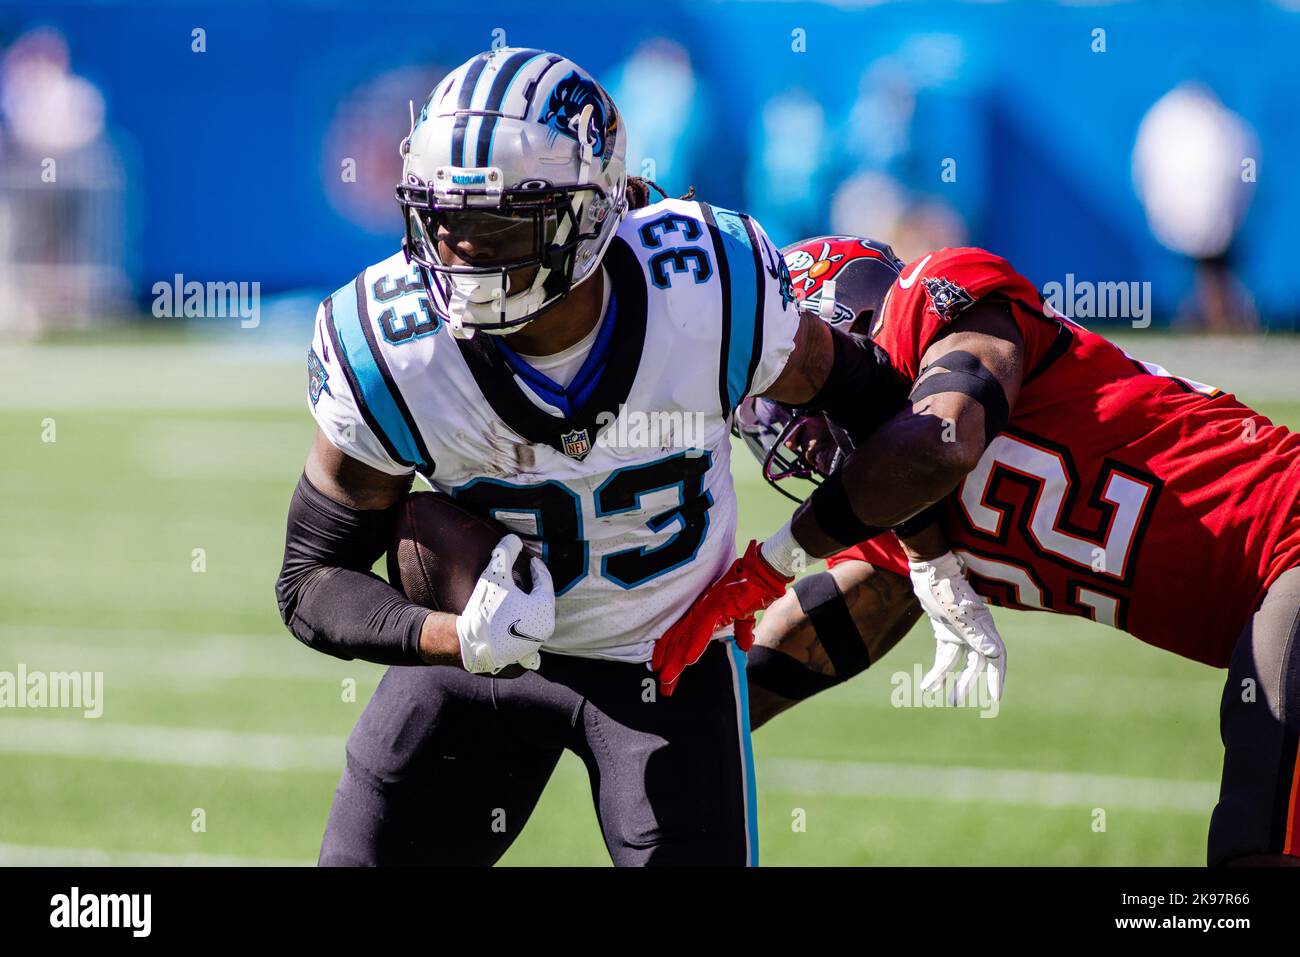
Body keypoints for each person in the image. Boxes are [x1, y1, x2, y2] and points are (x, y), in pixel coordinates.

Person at [274, 50, 889, 866]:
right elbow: (309, 581)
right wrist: (450, 636)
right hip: (478, 670)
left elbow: (866, 396)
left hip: (664, 663)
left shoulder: (709, 287)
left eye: (495, 224)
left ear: (589, 211)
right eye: (440, 219)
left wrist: (901, 537)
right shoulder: (394, 347)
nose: (457, 254)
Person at [661, 234, 1300, 866]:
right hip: (1266, 589)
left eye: (793, 408)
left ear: (848, 325)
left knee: (1256, 843)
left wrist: (776, 559)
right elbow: (788, 657)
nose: (801, 446)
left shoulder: (941, 297)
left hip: (1287, 538)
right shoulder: (896, 507)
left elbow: (939, 441)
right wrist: (648, 704)